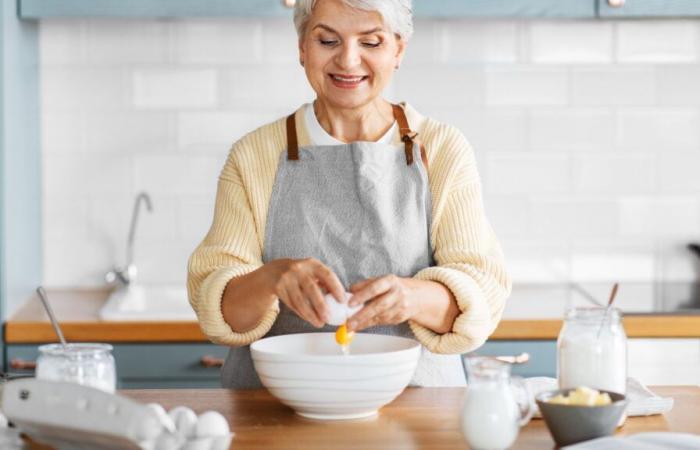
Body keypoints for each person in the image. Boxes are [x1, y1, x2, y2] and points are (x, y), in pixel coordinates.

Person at [187, 0, 511, 389]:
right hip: (277, 413)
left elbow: (481, 296)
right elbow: (221, 311)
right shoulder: (254, 155)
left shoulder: (441, 149)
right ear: (302, 48)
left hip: (417, 413)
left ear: (398, 50)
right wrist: (272, 278)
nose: (348, 60)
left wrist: (411, 296)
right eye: (328, 40)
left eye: (370, 43)